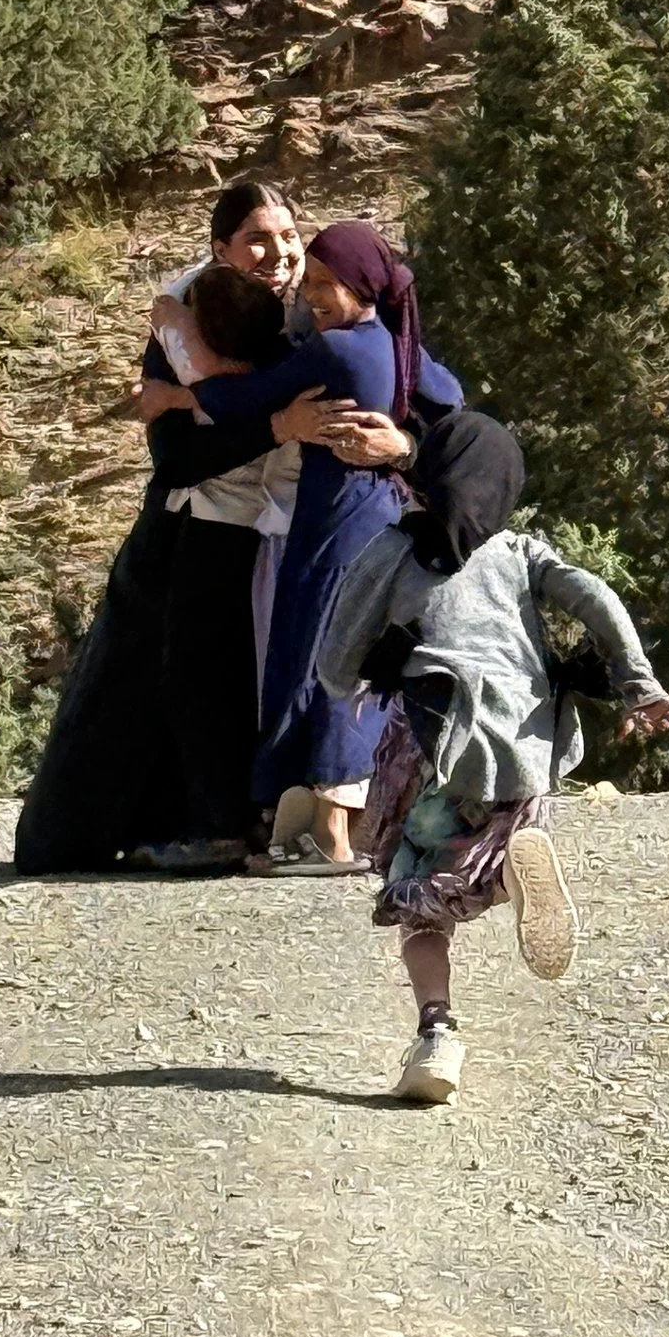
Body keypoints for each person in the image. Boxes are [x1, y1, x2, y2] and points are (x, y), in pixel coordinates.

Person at [316, 409, 669, 1106]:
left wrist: (379, 664)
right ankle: (516, 869)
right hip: (529, 753)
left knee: (420, 910)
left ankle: (437, 1034)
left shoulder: (394, 551)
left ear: (427, 478)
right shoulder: (522, 553)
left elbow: (334, 665)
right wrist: (640, 685)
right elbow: (598, 597)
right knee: (501, 839)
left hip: (439, 755)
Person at [14, 189, 324, 876]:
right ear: (219, 250)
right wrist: (267, 422)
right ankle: (189, 829)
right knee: (163, 683)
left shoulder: (315, 307)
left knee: (239, 681)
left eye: (288, 234)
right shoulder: (186, 311)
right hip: (194, 529)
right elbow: (178, 456)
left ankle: (248, 826)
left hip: (269, 531)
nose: (277, 254)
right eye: (256, 239)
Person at [163, 220, 459, 872]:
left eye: (329, 285)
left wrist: (177, 370)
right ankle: (308, 825)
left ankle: (327, 833)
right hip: (369, 513)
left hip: (338, 523)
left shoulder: (337, 353)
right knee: (327, 653)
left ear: (364, 286)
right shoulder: (387, 341)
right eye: (312, 284)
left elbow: (246, 398)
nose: (314, 297)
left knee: (327, 657)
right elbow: (450, 394)